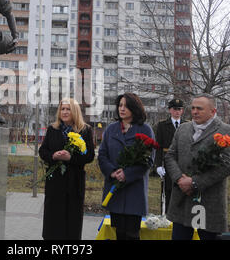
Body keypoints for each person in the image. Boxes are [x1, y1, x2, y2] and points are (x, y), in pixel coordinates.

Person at [165, 93, 230, 240]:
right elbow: (170, 155)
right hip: (182, 200)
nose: (194, 112)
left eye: (199, 108)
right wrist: (180, 179)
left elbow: (226, 166)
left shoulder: (228, 131)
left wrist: (194, 182)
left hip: (208, 202)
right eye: (192, 108)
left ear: (213, 111)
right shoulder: (183, 129)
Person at [98, 93, 155, 240]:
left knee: (131, 234)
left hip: (134, 191)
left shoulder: (145, 130)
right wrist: (112, 172)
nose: (122, 109)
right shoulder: (111, 129)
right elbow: (102, 155)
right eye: (120, 105)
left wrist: (127, 174)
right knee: (119, 233)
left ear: (134, 108)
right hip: (114, 189)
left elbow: (148, 160)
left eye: (126, 106)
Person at [39, 98, 95, 240]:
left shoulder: (85, 130)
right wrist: (54, 156)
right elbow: (43, 151)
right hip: (55, 183)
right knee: (53, 225)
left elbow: (89, 156)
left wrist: (71, 159)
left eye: (68, 109)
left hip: (74, 183)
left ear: (75, 111)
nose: (64, 112)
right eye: (62, 109)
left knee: (72, 226)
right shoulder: (53, 129)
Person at [153, 98, 187, 214]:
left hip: (183, 163)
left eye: (179, 109)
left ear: (182, 111)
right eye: (175, 109)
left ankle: (181, 217)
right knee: (168, 191)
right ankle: (168, 216)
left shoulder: (187, 125)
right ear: (170, 110)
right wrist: (158, 165)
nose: (177, 111)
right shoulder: (162, 125)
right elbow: (158, 147)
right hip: (168, 162)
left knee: (183, 191)